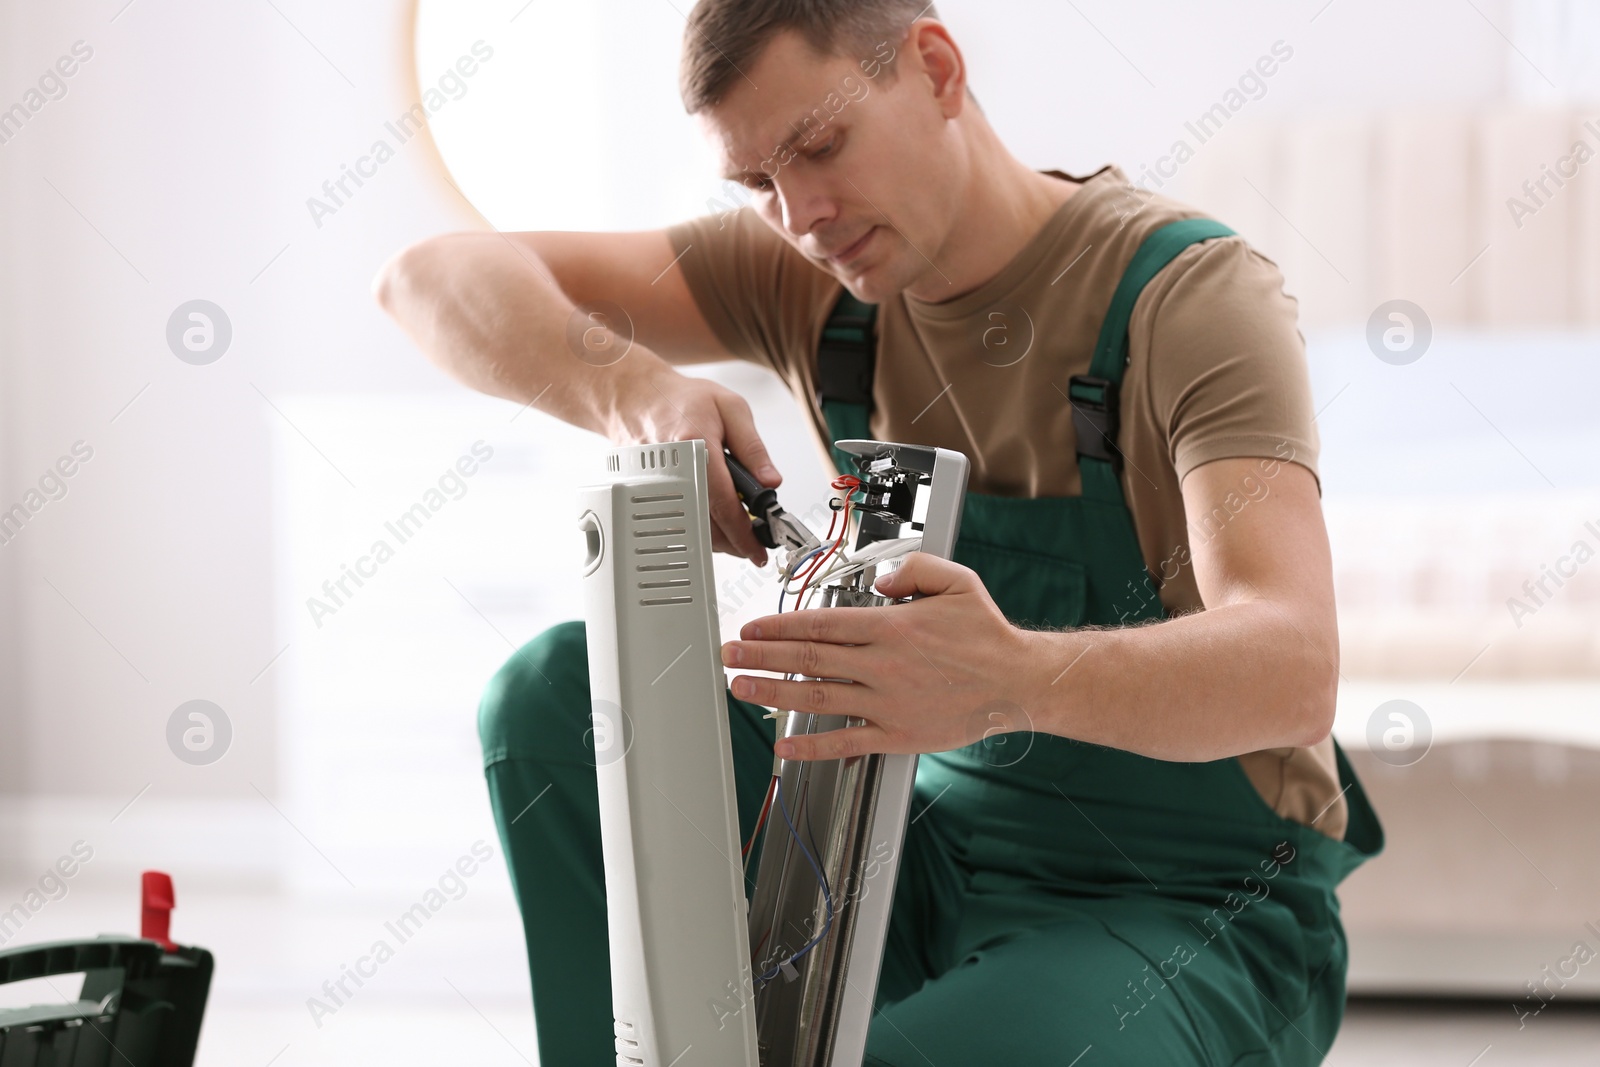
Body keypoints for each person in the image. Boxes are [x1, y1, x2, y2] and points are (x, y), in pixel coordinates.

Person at [374, 2, 1383, 1063]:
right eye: (758, 183)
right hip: (909, 847)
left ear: (936, 69)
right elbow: (428, 277)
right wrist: (635, 391)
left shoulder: (1184, 296)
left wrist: (1011, 677)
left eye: (819, 146)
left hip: (1183, 903)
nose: (800, 213)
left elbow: (1291, 662)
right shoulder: (807, 282)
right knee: (553, 694)